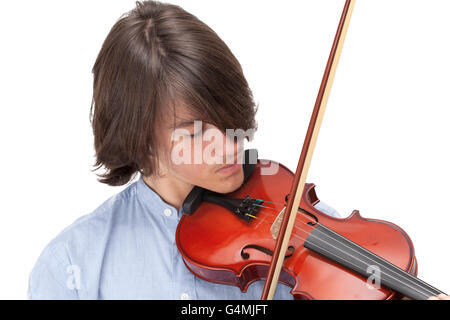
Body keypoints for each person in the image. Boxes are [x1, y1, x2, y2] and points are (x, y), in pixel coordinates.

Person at [27, 0, 448, 300]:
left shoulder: (287, 211)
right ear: (139, 138)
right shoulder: (73, 266)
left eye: (229, 116)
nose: (231, 144)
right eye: (194, 132)